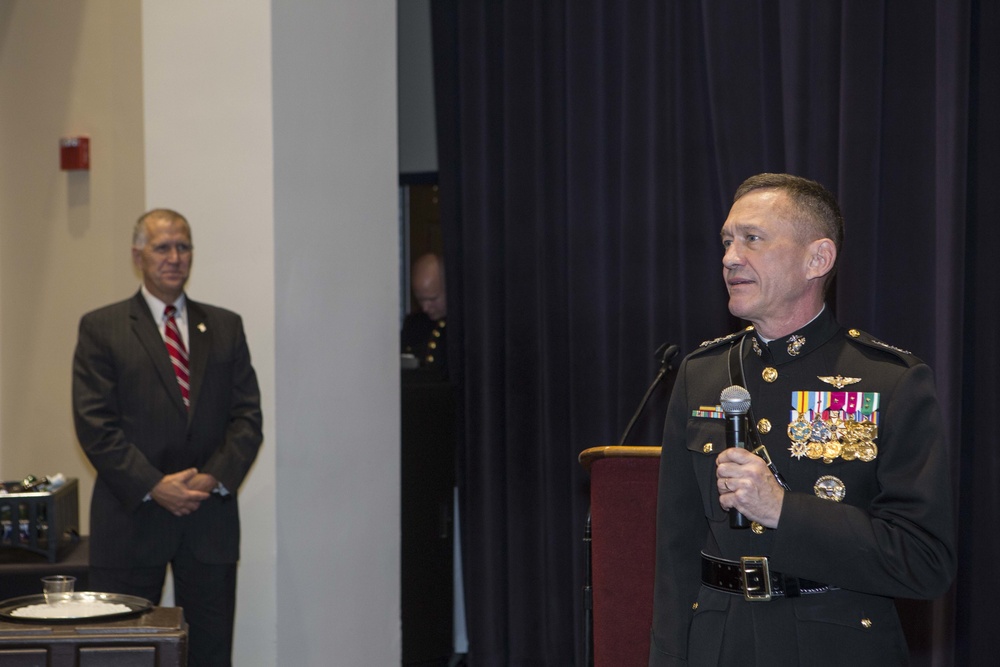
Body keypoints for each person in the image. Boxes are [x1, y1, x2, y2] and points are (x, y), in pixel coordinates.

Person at [648, 174, 955, 666]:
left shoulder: (887, 379)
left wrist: (782, 510)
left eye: (753, 238)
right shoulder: (701, 374)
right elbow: (675, 551)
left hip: (836, 645)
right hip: (720, 643)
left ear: (818, 259)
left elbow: (924, 563)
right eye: (727, 240)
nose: (729, 257)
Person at [72, 208, 262, 667]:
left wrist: (212, 477)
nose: (175, 257)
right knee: (120, 655)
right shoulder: (102, 327)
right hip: (131, 519)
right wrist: (154, 485)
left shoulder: (224, 326)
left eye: (184, 247)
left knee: (210, 652)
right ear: (138, 255)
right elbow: (94, 424)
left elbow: (247, 418)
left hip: (207, 520)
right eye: (163, 247)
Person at [402, 252, 448, 376]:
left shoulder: (465, 328)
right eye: (420, 299)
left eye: (432, 299)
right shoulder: (414, 325)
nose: (425, 308)